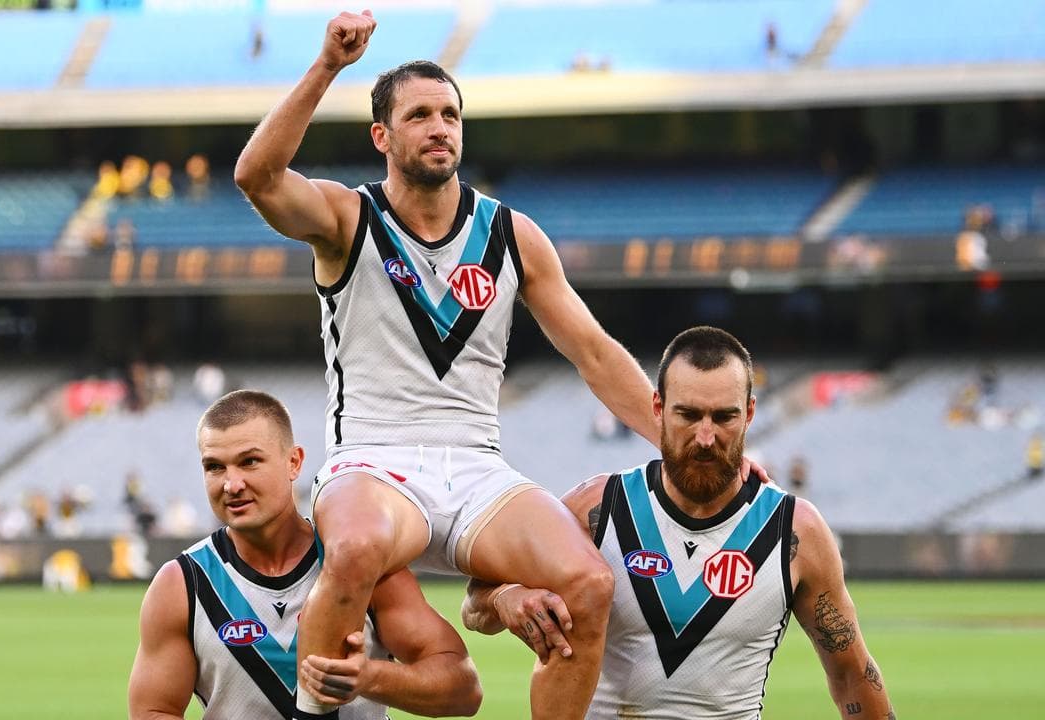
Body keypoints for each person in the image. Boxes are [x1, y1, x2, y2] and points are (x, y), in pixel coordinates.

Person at [235, 11, 691, 718]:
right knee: (353, 550)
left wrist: (680, 447)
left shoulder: (512, 234)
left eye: (450, 113)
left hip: (477, 466)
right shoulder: (347, 220)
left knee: (589, 585)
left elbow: (596, 355)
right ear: (382, 136)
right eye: (419, 115)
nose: (440, 126)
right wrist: (328, 65)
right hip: (374, 463)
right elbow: (257, 177)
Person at [463, 327, 895, 719]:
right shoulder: (598, 508)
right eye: (688, 415)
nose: (705, 437)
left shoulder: (795, 531)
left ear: (749, 413)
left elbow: (852, 675)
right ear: (657, 407)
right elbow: (475, 604)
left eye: (723, 417)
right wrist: (507, 597)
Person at [127, 390, 481, 720]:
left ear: (294, 462)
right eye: (214, 467)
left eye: (249, 462)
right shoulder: (182, 584)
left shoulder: (356, 560)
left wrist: (371, 677)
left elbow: (464, 687)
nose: (231, 484)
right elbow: (154, 711)